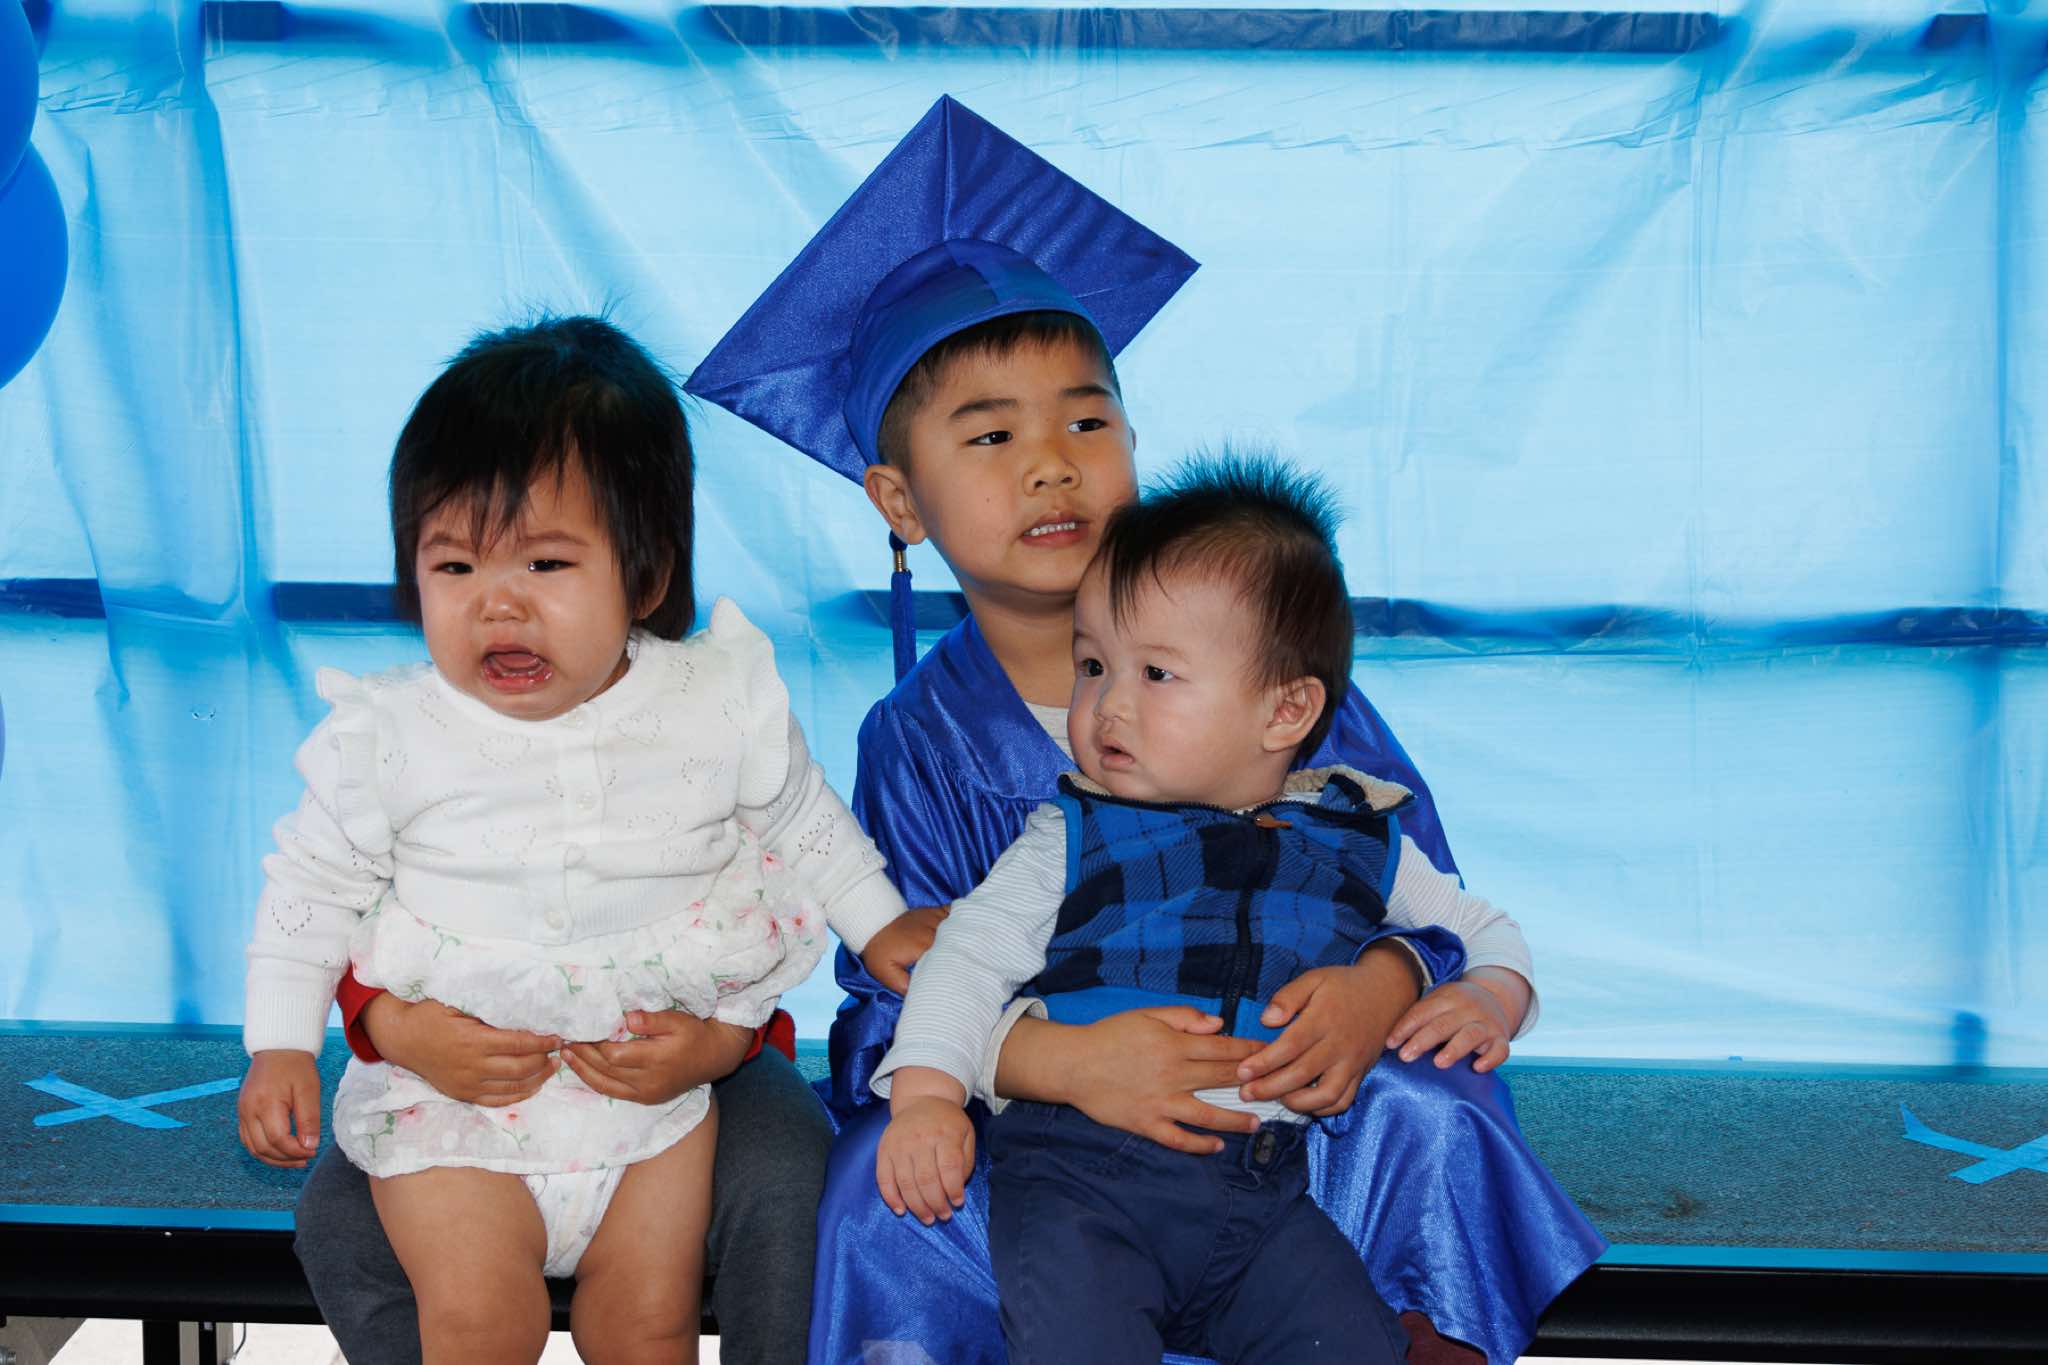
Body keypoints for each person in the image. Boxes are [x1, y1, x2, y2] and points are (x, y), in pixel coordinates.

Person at [688, 96, 1605, 1365]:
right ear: (898, 501)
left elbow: (1425, 897)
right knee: (877, 1192)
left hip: (1290, 1089)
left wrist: (1378, 990)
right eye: (991, 435)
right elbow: (888, 1009)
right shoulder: (920, 741)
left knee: (1431, 1107)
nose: (1051, 465)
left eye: (1086, 420)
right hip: (1047, 1131)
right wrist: (1060, 1064)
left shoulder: (1273, 670)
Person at [235, 315, 909, 1364]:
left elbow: (801, 817)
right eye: (454, 565)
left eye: (546, 562)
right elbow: (309, 888)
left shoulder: (710, 702)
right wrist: (278, 1042)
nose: (497, 603)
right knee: (481, 1324)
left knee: (645, 1326)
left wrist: (881, 925)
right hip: (458, 1095)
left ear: (646, 575)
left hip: (650, 1092)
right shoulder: (391, 734)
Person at [875, 455, 1533, 1363]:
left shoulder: (1360, 834)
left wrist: (1492, 993)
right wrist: (926, 1099)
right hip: (1081, 1184)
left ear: (1285, 711)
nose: (1106, 703)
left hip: (1261, 1200)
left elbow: (1485, 929)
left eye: (1156, 672)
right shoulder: (1074, 833)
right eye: (1093, 664)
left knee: (1354, 1344)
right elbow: (965, 957)